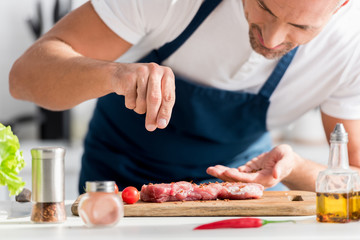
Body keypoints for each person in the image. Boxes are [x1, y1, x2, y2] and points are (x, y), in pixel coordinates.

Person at [9, 0, 360, 193]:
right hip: (120, 183)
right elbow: (25, 78)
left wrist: (295, 168)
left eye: (301, 27)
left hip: (240, 194)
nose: (271, 38)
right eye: (264, 7)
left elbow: (354, 178)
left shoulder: (350, 49)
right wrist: (115, 72)